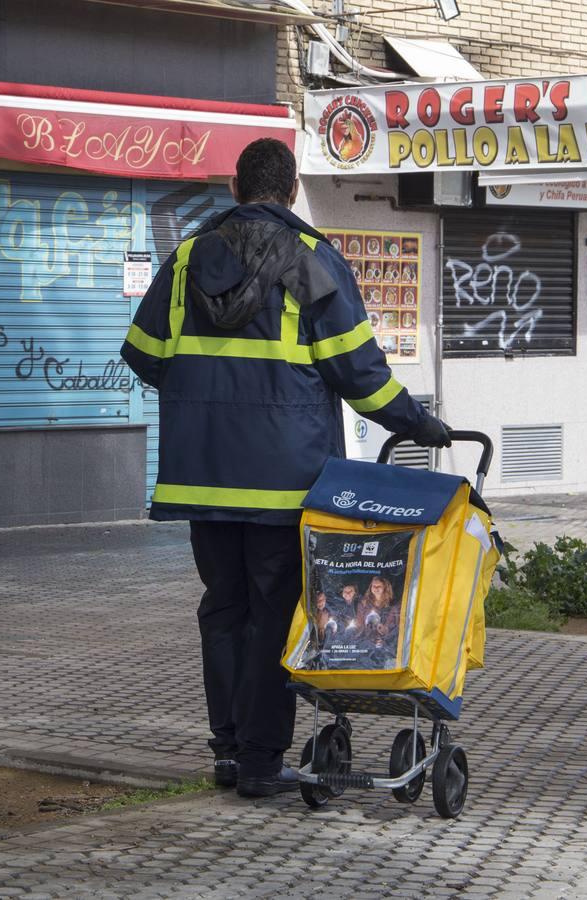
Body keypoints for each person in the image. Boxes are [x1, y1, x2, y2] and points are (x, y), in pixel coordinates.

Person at [120, 138, 451, 799]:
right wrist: (418, 424)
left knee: (222, 609)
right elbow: (360, 374)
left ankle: (227, 751)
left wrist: (205, 390)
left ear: (236, 190)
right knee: (274, 613)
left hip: (201, 477)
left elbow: (143, 354)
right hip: (285, 483)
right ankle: (261, 762)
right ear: (293, 191)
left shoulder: (185, 261)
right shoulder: (313, 264)